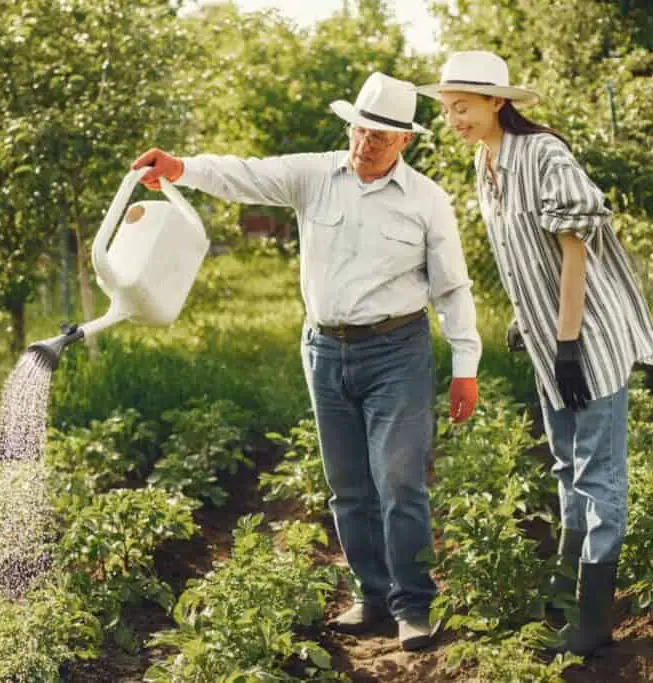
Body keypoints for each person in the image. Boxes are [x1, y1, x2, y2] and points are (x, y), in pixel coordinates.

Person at [131, 72, 482, 652]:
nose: (366, 144)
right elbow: (245, 173)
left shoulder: (426, 200)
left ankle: (413, 605)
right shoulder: (315, 175)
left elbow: (452, 287)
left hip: (398, 351)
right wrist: (180, 167)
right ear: (352, 125)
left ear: (406, 142)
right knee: (348, 486)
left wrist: (465, 362)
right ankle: (371, 595)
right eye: (361, 130)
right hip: (325, 350)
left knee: (398, 482)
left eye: (381, 136)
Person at [416, 51, 653, 656]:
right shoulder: (485, 161)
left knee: (598, 475)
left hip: (589, 335)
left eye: (463, 107)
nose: (454, 119)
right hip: (549, 336)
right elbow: (520, 256)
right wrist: (530, 322)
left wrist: (570, 340)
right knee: (562, 464)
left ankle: (594, 618)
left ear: (497, 101)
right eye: (448, 109)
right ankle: (566, 585)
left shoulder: (545, 155)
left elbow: (574, 253)